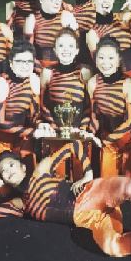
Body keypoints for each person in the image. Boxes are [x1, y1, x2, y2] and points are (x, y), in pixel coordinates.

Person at [0, 147, 131, 259]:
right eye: (3, 171)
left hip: (91, 195)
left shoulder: (40, 170)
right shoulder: (19, 204)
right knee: (113, 248)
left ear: (23, 166)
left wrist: (87, 174)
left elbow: (74, 145)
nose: (8, 172)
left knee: (130, 187)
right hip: (88, 219)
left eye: (11, 166)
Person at [87, 36, 131, 180]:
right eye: (101, 58)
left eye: (111, 58)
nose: (105, 63)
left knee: (130, 189)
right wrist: (88, 135)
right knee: (108, 186)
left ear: (119, 60)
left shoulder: (129, 85)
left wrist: (108, 140)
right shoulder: (93, 83)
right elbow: (94, 116)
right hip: (109, 141)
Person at [39, 28, 93, 178]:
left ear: (76, 50)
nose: (66, 50)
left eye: (70, 46)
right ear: (55, 50)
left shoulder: (84, 72)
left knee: (80, 176)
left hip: (79, 133)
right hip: (55, 134)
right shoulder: (47, 72)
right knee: (57, 177)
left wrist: (82, 128)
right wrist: (55, 128)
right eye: (61, 46)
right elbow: (42, 104)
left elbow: (90, 106)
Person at [0, 39, 40, 176]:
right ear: (11, 63)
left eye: (29, 62)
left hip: (21, 136)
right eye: (20, 61)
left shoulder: (34, 80)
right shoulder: (1, 82)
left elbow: (35, 115)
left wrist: (40, 125)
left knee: (28, 178)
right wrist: (31, 132)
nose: (25, 66)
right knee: (5, 187)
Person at [86, 0, 131, 81]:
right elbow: (99, 63)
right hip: (113, 80)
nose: (106, 1)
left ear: (113, 2)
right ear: (94, 1)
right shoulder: (92, 32)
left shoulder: (122, 17)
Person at [24, 0, 78, 71]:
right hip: (38, 68)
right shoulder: (32, 19)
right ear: (41, 0)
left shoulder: (66, 16)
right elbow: (27, 50)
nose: (57, 3)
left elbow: (76, 48)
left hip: (64, 67)